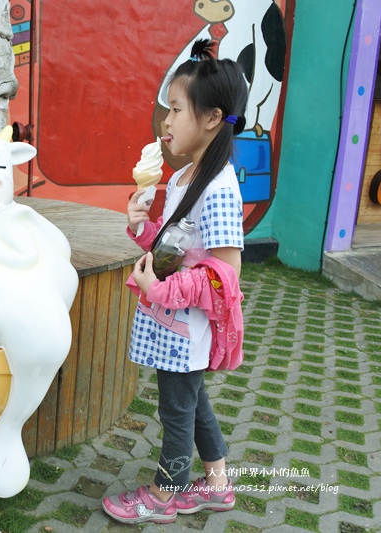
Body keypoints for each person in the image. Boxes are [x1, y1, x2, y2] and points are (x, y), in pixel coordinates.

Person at [102, 39, 248, 525]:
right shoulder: (185, 176)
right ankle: (219, 485)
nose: (165, 121)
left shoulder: (220, 186)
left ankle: (167, 493)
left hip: (188, 328)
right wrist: (142, 227)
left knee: (177, 410)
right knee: (192, 399)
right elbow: (174, 252)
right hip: (169, 322)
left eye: (176, 109)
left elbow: (226, 277)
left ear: (211, 118)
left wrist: (163, 290)